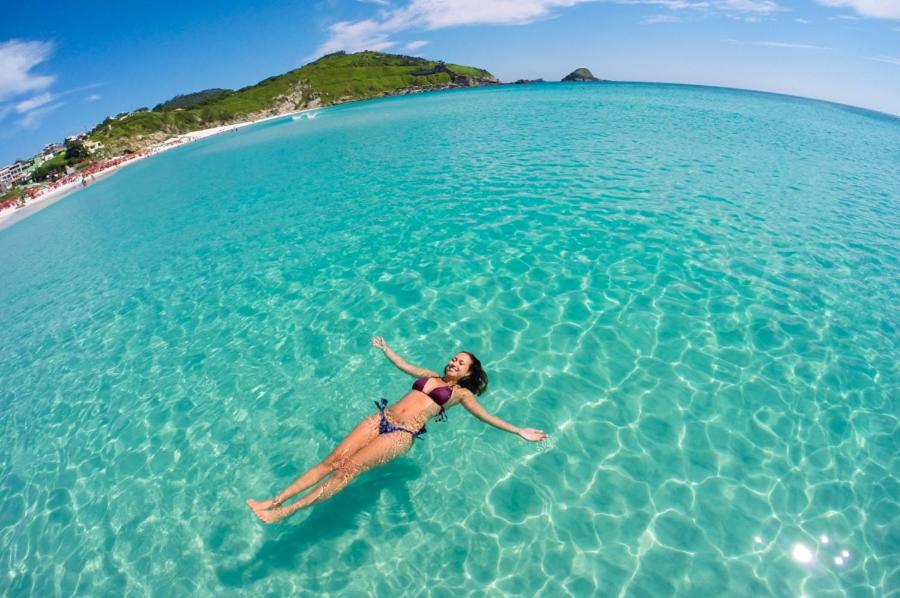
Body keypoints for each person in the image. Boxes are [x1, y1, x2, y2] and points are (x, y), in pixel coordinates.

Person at [246, 337, 548, 524]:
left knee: (347, 470)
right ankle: (275, 500)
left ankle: (287, 512)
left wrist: (518, 430)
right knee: (332, 460)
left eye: (461, 363)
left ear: (469, 372)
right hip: (382, 417)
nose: (453, 362)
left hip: (401, 435)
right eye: (454, 358)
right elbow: (404, 365)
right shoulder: (430, 375)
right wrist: (386, 349)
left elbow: (486, 417)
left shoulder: (462, 395)